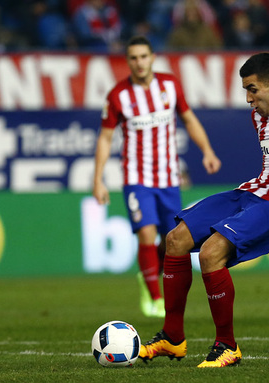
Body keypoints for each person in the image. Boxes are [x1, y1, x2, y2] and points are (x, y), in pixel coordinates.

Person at [137, 52, 269, 368]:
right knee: (175, 239)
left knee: (211, 254)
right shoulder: (259, 115)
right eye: (245, 91)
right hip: (255, 190)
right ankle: (172, 337)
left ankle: (227, 346)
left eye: (252, 89)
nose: (248, 99)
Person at [93, 35, 221, 319]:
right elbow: (105, 138)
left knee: (172, 239)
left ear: (152, 58)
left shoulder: (170, 85)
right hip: (137, 178)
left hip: (168, 178)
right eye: (133, 58)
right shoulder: (118, 96)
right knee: (146, 235)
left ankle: (151, 276)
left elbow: (188, 118)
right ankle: (153, 295)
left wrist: (207, 150)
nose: (139, 62)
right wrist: (97, 179)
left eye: (143, 56)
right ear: (128, 62)